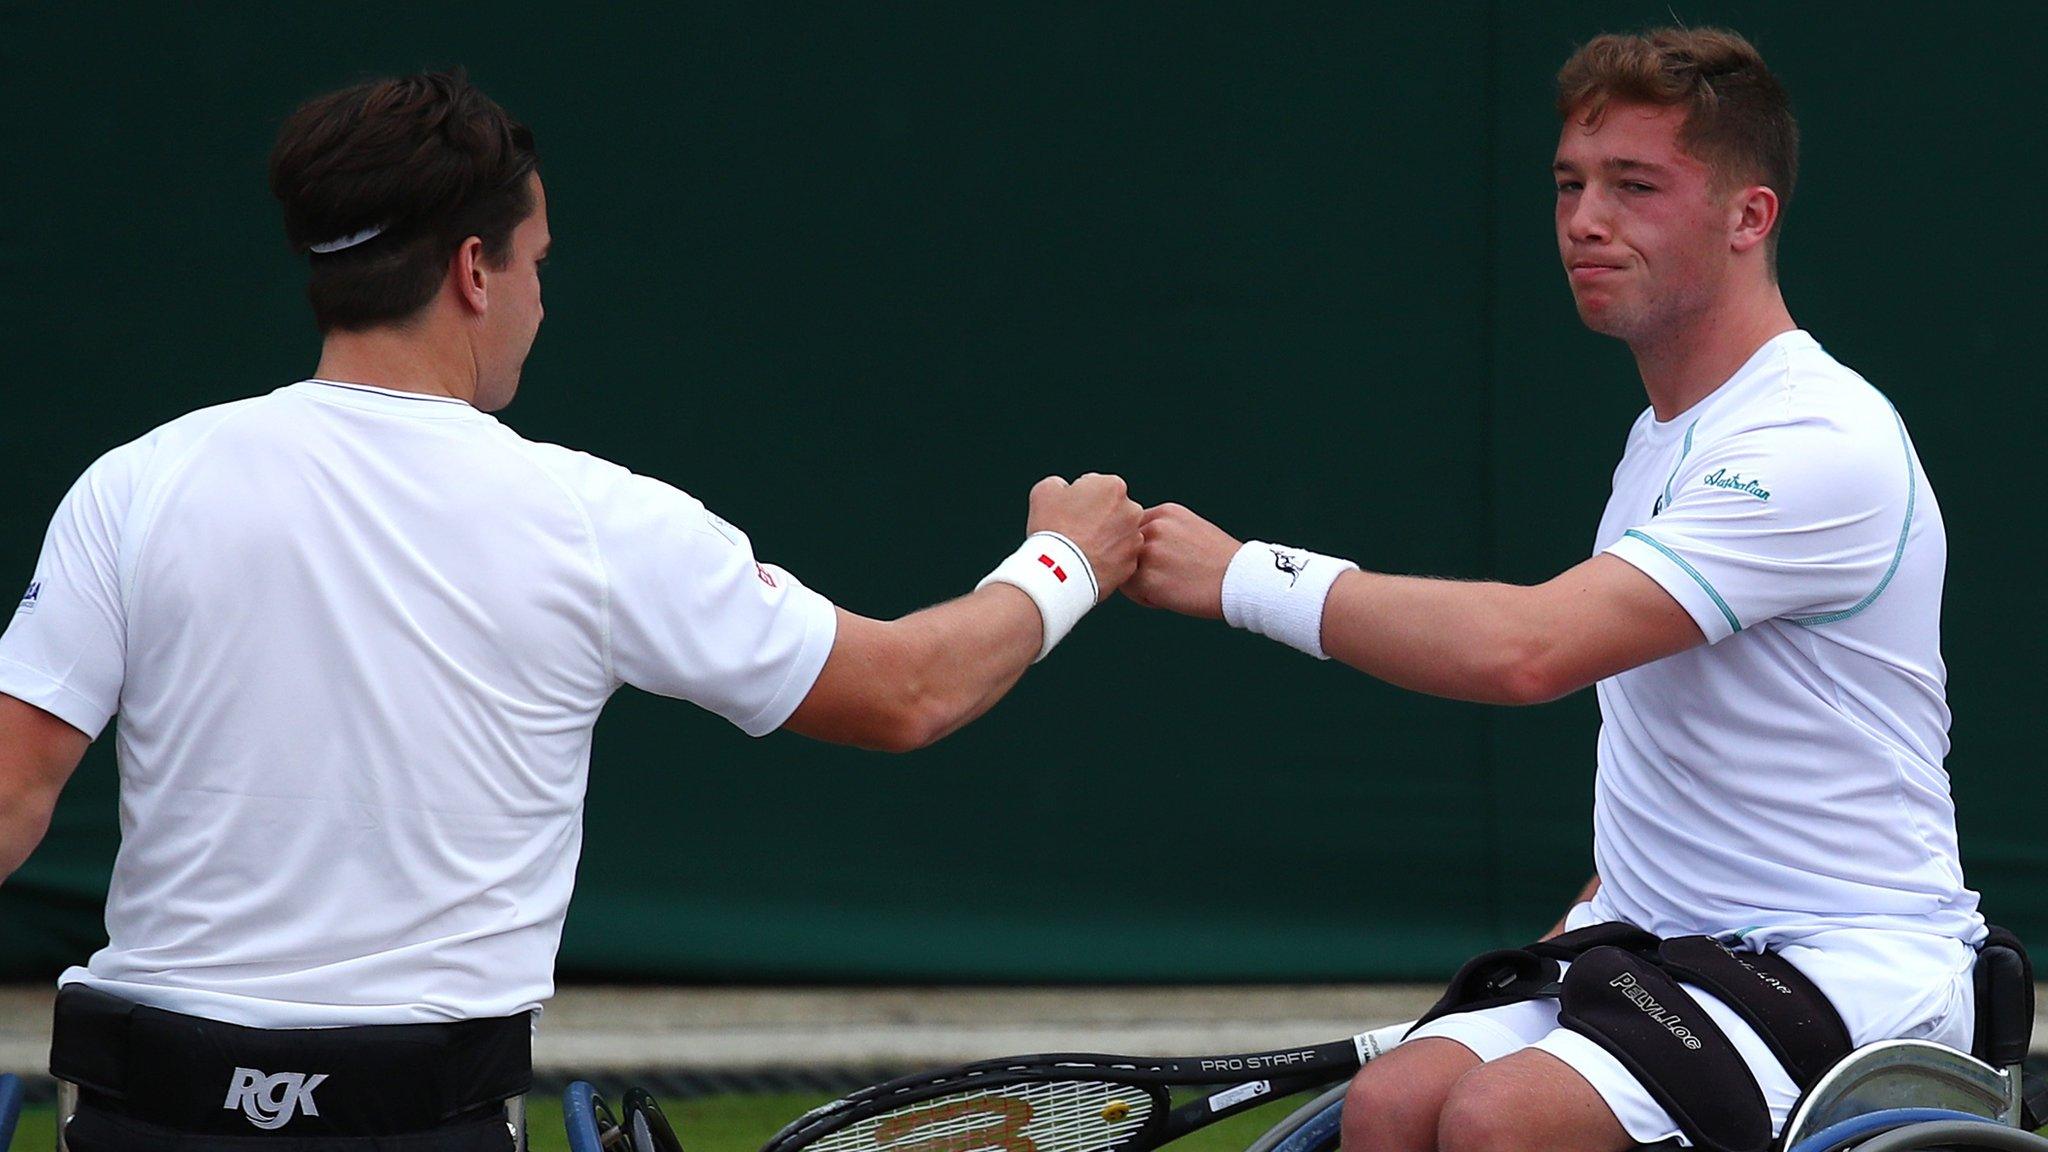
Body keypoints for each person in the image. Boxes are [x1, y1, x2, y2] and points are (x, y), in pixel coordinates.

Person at [0, 71, 1140, 1151]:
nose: (541, 295)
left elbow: (10, 795)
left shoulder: (137, 485)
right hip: (419, 1114)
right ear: (473, 273)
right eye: (536, 260)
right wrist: (1065, 561)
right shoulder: (591, 518)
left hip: (141, 1109)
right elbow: (906, 692)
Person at [1123, 27, 1982, 1152]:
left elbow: (1525, 649)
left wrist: (1241, 576)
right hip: (1656, 945)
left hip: (1849, 968)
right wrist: (1582, 922)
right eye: (1569, 184)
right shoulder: (1660, 439)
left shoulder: (1818, 440)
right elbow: (1679, 761)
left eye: (1634, 186)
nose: (1583, 219)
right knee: (1388, 1107)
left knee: (1502, 1120)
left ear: (1746, 217)